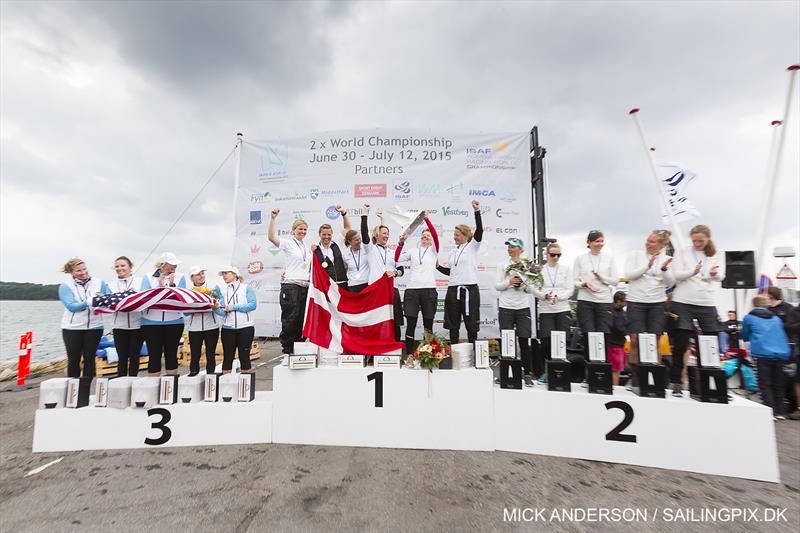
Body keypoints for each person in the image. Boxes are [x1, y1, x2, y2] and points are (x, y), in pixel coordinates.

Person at [668, 225, 724, 396]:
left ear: (708, 239)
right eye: (695, 241)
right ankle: (676, 381)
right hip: (683, 300)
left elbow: (721, 276)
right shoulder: (683, 252)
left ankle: (710, 381)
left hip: (706, 301)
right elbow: (676, 275)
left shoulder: (716, 253)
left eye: (701, 241)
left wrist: (714, 274)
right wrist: (693, 271)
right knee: (681, 342)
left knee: (710, 342)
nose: (698, 244)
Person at [437, 200, 483, 345]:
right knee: (453, 325)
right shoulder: (453, 252)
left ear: (465, 235)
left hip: (469, 290)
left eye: (457, 235)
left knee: (471, 325)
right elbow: (452, 271)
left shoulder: (472, 247)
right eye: (454, 234)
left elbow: (480, 231)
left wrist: (477, 211)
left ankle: (476, 356)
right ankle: (454, 354)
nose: (454, 237)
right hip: (453, 289)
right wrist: (438, 266)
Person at [395, 211, 440, 354]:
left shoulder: (434, 251)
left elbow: (435, 235)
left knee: (428, 325)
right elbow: (396, 259)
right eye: (423, 236)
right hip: (412, 290)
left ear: (432, 240)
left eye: (428, 236)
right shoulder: (413, 251)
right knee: (411, 325)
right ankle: (409, 354)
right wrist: (401, 243)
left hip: (429, 290)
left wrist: (426, 220)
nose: (425, 238)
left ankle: (430, 356)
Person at [268, 208, 311, 354]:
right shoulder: (287, 243)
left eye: (305, 229)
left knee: (301, 318)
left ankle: (298, 347)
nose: (303, 231)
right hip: (291, 285)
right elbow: (272, 238)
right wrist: (273, 219)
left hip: (305, 286)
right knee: (290, 318)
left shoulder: (307, 247)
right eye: (300, 229)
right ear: (293, 230)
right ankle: (287, 348)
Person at [741, 295, 791, 420]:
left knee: (765, 383)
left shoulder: (749, 318)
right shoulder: (776, 318)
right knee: (778, 383)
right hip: (780, 353)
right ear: (766, 305)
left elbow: (745, 335)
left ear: (754, 305)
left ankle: (770, 411)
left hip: (762, 353)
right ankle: (780, 412)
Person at [495, 238, 536, 386]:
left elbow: (531, 287)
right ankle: (505, 374)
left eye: (513, 247)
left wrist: (524, 284)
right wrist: (509, 282)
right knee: (506, 341)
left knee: (524, 341)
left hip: (522, 307)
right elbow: (497, 286)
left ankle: (527, 374)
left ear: (521, 250)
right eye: (509, 247)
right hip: (506, 307)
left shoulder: (528, 266)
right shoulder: (502, 265)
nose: (510, 249)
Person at [573, 230, 618, 365]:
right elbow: (574, 281)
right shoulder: (580, 259)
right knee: (588, 334)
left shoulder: (609, 258)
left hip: (604, 300)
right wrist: (584, 284)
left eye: (601, 241)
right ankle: (590, 368)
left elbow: (615, 281)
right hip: (586, 300)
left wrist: (602, 278)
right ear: (589, 242)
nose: (600, 244)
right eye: (597, 241)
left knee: (603, 334)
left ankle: (602, 367)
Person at [59, 258, 109, 378]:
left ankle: (84, 392)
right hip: (72, 328)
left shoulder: (99, 282)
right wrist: (90, 301)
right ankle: (73, 388)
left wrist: (102, 298)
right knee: (74, 359)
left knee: (90, 358)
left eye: (84, 269)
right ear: (72, 273)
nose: (83, 272)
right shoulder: (65, 286)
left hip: (95, 326)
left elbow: (108, 300)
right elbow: (72, 306)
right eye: (78, 271)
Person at [361, 204, 404, 342]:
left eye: (388, 233)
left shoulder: (392, 252)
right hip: (376, 290)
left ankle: (395, 348)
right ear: (376, 235)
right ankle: (374, 351)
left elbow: (401, 270)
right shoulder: (370, 249)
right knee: (376, 321)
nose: (387, 235)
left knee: (394, 320)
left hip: (392, 290)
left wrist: (395, 273)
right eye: (384, 233)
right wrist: (365, 213)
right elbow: (364, 234)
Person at [140, 252, 187, 376]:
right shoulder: (148, 277)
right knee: (154, 355)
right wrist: (159, 286)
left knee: (171, 354)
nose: (175, 266)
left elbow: (180, 297)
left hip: (174, 320)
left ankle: (171, 388)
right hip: (150, 321)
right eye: (172, 264)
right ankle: (153, 388)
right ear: (163, 264)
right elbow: (144, 297)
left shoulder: (180, 277)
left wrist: (171, 285)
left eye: (176, 264)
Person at [532, 242, 572, 382]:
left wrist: (558, 297)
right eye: (553, 255)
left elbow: (570, 289)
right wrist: (544, 295)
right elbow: (533, 288)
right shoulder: (540, 270)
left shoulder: (566, 269)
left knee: (562, 341)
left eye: (558, 255)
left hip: (562, 308)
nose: (556, 257)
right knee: (546, 342)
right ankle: (548, 372)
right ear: (546, 255)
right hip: (546, 309)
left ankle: (560, 372)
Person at [623, 230, 674, 336]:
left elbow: (671, 283)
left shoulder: (667, 259)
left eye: (652, 242)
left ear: (661, 245)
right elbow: (628, 276)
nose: (648, 243)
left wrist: (665, 270)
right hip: (636, 301)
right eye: (647, 240)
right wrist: (647, 267)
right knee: (635, 340)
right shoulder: (635, 255)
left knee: (655, 340)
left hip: (657, 303)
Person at [215, 266, 257, 373]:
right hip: (228, 329)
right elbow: (222, 311)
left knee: (245, 357)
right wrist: (215, 309)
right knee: (227, 358)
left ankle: (245, 387)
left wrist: (234, 307)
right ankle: (226, 386)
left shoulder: (246, 288)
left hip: (246, 327)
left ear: (235, 274)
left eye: (226, 273)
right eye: (223, 274)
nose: (224, 276)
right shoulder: (222, 291)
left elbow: (252, 305)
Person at [108, 256, 143, 376]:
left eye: (123, 265)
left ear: (130, 267)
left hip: (137, 325)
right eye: (117, 266)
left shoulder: (140, 282)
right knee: (122, 357)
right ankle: (120, 382)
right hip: (119, 326)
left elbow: (145, 300)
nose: (119, 268)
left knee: (134, 356)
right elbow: (108, 303)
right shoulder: (111, 285)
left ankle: (133, 381)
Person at [185, 266, 222, 376]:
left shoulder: (213, 288)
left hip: (211, 325)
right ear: (192, 278)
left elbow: (220, 303)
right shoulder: (188, 291)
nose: (201, 276)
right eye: (198, 274)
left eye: (202, 273)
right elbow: (185, 312)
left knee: (210, 353)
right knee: (195, 353)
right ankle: (193, 373)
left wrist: (214, 305)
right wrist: (192, 308)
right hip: (194, 327)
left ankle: (211, 374)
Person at [339, 206, 370, 292]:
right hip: (352, 286)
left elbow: (365, 232)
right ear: (349, 241)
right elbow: (344, 269)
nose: (359, 241)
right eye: (356, 240)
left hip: (367, 284)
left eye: (359, 238)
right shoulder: (345, 254)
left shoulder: (366, 249)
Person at [313, 222, 348, 287]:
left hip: (342, 283)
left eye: (329, 234)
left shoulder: (337, 243)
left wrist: (344, 213)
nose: (327, 237)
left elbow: (347, 228)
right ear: (319, 234)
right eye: (324, 234)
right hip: (326, 285)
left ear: (332, 234)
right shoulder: (315, 249)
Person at [608, 291, 629, 386]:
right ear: (618, 301)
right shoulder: (613, 313)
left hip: (619, 344)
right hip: (614, 345)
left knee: (616, 370)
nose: (626, 303)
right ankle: (615, 388)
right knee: (615, 370)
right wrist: (628, 330)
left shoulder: (621, 312)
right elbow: (619, 328)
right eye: (625, 301)